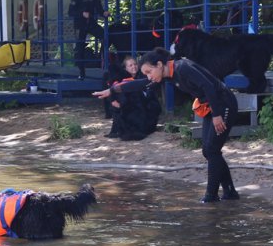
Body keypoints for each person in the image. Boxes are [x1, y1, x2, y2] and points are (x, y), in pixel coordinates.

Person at [93, 48, 239, 203]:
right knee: (208, 151)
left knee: (212, 150)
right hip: (210, 106)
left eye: (149, 72)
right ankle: (230, 192)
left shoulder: (183, 67)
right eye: (146, 73)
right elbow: (140, 84)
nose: (149, 76)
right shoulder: (166, 75)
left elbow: (209, 87)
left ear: (160, 65)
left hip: (223, 103)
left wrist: (217, 115)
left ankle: (211, 197)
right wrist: (112, 90)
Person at [104, 55, 161, 141]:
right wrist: (114, 101)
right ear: (125, 68)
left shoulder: (145, 75)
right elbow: (112, 91)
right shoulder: (120, 78)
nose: (134, 67)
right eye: (130, 65)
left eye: (135, 64)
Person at [68, 0, 110, 80]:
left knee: (105, 36)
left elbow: (99, 8)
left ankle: (102, 61)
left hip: (91, 23)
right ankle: (81, 72)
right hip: (80, 25)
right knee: (80, 49)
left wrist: (104, 13)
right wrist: (82, 14)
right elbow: (70, 12)